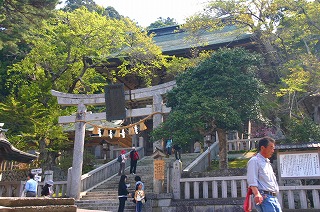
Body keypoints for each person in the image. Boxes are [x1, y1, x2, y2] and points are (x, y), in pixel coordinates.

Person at [247, 137, 282, 212]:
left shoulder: (267, 162)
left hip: (273, 197)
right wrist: (257, 194)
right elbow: (252, 179)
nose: (273, 151)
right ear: (263, 148)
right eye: (271, 148)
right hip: (264, 197)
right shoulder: (254, 161)